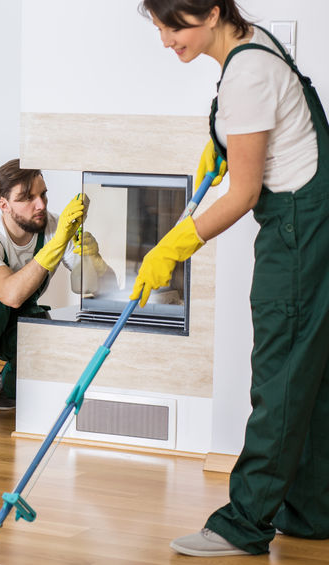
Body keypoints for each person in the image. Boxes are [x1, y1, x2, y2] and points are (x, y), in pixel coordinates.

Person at [135, 0, 329, 557]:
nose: (167, 40)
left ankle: (243, 524)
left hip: (297, 231)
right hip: (309, 227)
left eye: (174, 25)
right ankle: (312, 511)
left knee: (280, 376)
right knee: (306, 376)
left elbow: (243, 195)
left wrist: (172, 246)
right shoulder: (252, 46)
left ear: (213, 12)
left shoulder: (247, 73)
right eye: (159, 27)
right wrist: (222, 143)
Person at [0, 158, 111, 422]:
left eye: (43, 194)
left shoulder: (56, 226)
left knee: (40, 322)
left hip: (11, 317)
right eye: (27, 198)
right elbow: (9, 295)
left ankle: (8, 390)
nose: (41, 205)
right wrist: (56, 245)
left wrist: (96, 261)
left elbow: (89, 288)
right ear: (4, 205)